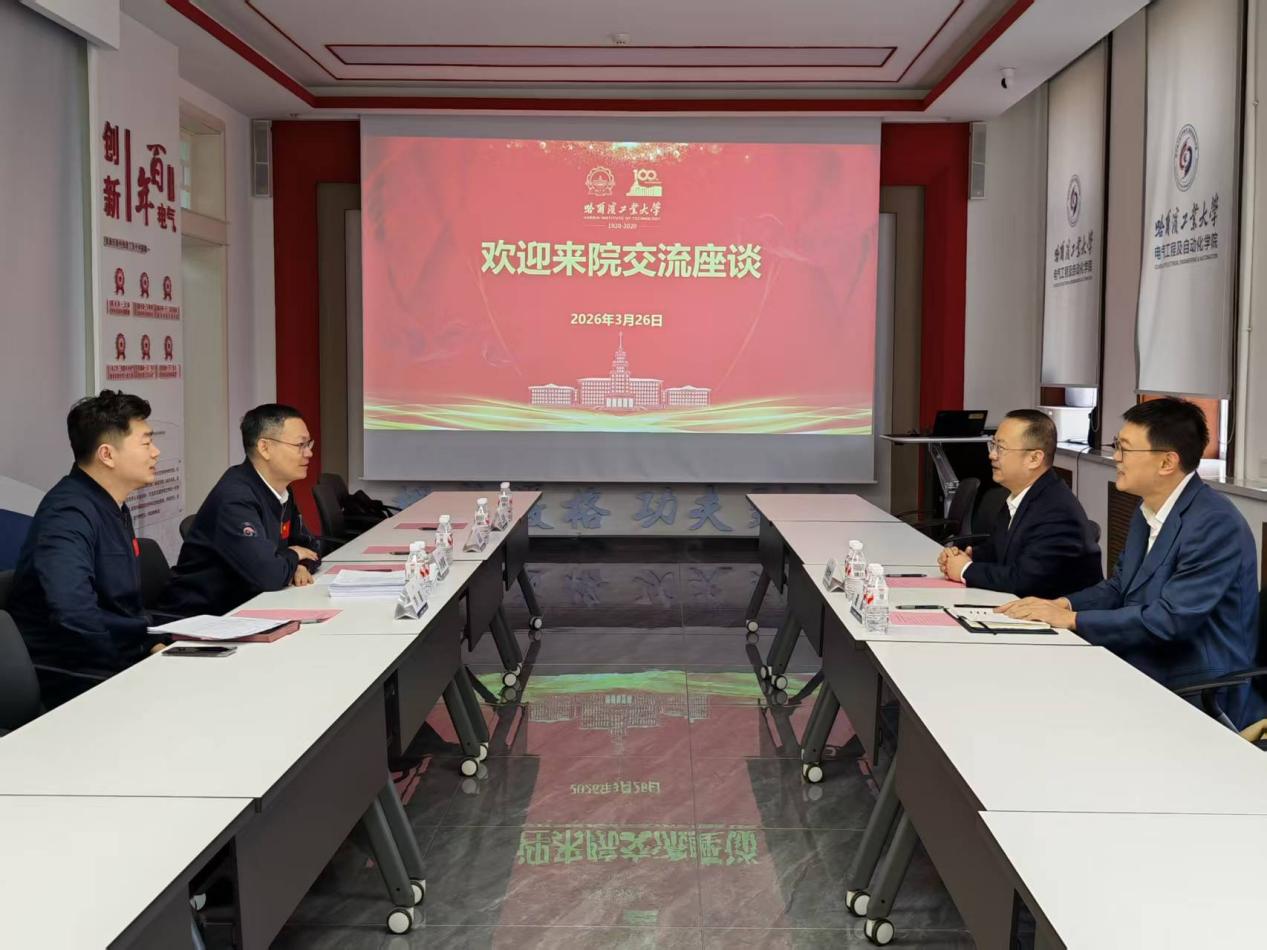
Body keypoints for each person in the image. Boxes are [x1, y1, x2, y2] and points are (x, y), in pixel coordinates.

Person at [999, 398, 1261, 726]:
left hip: (1197, 684)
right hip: (1146, 657)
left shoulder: (1215, 523)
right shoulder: (1147, 509)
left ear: (1167, 462)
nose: (1116, 458)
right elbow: (1120, 587)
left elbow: (1171, 620)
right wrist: (1061, 604)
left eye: (1124, 449)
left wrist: (1074, 620)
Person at [8, 391, 164, 706]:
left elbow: (121, 605)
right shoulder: (67, 513)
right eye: (146, 443)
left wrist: (151, 644)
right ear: (107, 455)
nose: (156, 452)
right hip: (72, 669)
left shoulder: (111, 503)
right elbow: (74, 613)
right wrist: (131, 666)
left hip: (115, 654)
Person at [159, 404, 321, 617]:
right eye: (300, 445)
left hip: (249, 607)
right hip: (202, 618)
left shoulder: (281, 490)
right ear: (264, 448)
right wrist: (293, 556)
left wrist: (299, 564)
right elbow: (269, 575)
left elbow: (311, 547)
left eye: (308, 444)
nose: (309, 453)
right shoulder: (235, 497)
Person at [939, 409, 1102, 598]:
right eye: (993, 445)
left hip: (1062, 615)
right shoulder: (1023, 495)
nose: (992, 455)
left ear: (1034, 459)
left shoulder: (1056, 511)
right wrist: (968, 556)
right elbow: (1001, 551)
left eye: (1001, 448)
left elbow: (1025, 581)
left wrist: (965, 570)